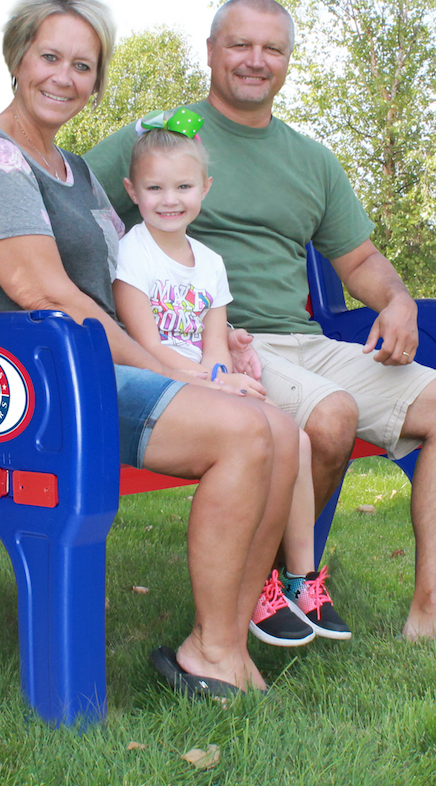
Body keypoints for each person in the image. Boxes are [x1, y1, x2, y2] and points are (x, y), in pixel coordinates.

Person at [86, 0, 436, 657]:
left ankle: (434, 609)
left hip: (308, 341)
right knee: (329, 417)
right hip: (221, 344)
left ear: (288, 62)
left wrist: (397, 300)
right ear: (211, 52)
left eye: (273, 49)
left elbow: (360, 259)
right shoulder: (163, 139)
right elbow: (71, 204)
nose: (255, 61)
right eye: (240, 45)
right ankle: (272, 587)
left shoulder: (310, 159)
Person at [0, 0, 309, 697]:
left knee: (280, 428)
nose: (64, 77)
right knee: (243, 432)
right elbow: (43, 293)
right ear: (18, 58)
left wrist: (215, 345)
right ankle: (218, 649)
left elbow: (128, 287)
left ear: (97, 81)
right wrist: (183, 377)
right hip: (26, 382)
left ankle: (220, 642)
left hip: (86, 367)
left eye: (83, 66)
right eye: (50, 56)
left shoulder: (73, 172)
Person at [113, 111, 350, 645]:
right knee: (260, 431)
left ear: (205, 189)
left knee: (296, 436)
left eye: (183, 186)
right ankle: (256, 588)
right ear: (132, 190)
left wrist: (224, 374)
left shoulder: (211, 263)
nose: (169, 199)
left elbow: (214, 339)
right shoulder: (134, 251)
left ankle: (299, 579)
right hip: (160, 381)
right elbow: (145, 343)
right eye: (154, 187)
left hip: (204, 380)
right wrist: (213, 383)